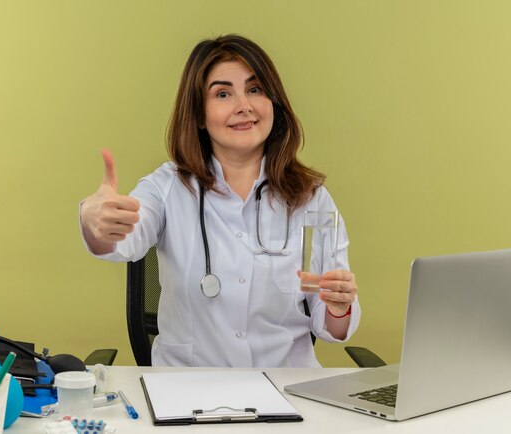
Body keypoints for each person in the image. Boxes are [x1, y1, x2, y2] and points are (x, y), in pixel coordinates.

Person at [79, 34, 360, 367]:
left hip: (286, 393)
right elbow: (120, 241)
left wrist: (338, 307)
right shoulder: (167, 187)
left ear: (274, 102)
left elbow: (331, 326)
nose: (244, 105)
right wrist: (94, 220)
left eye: (255, 89)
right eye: (223, 93)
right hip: (188, 394)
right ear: (199, 114)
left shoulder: (311, 198)